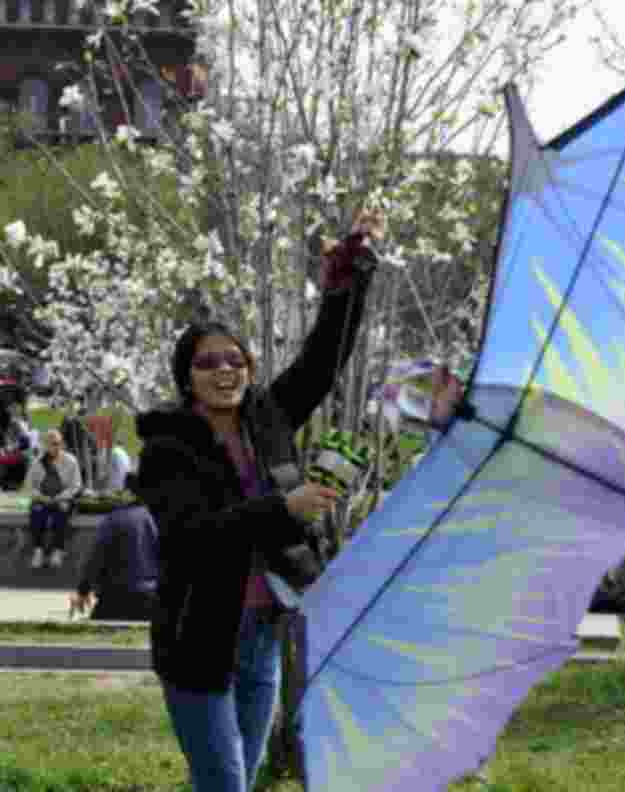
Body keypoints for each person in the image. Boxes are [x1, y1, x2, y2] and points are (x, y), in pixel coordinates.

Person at [135, 210, 384, 792]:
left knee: (238, 780)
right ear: (186, 377)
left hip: (262, 632)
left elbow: (324, 360)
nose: (225, 370)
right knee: (223, 784)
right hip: (199, 638)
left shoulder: (267, 420)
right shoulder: (167, 450)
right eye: (207, 362)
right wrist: (283, 508)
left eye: (236, 360)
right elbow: (191, 534)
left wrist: (349, 276)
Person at [70, 473, 158, 621]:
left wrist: (83, 591)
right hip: (151, 599)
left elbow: (96, 560)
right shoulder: (159, 519)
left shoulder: (114, 520)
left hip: (116, 599)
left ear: (129, 493)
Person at [25, 429, 82, 569]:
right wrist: (41, 497)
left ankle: (58, 550)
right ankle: (38, 550)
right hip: (43, 498)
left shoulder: (71, 460)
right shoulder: (37, 462)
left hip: (63, 498)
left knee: (62, 511)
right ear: (45, 445)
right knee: (36, 511)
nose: (55, 446)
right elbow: (28, 485)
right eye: (51, 444)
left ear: (62, 444)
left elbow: (76, 485)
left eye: (58, 443)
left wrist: (60, 497)